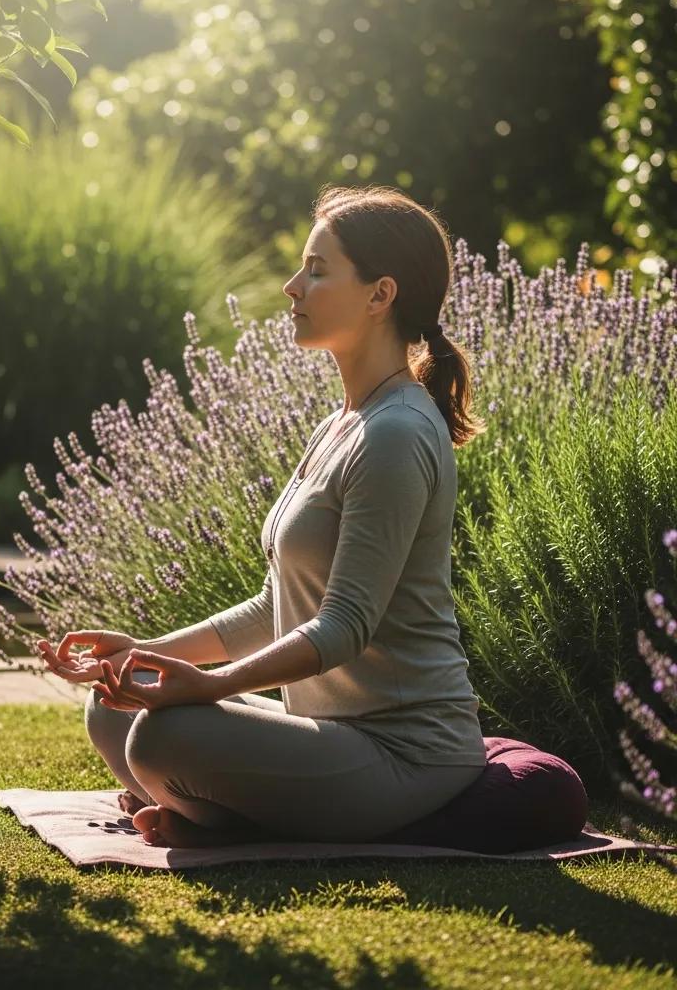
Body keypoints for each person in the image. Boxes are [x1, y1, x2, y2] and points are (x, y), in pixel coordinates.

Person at [37, 183, 490, 849]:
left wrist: (212, 686)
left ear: (379, 294)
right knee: (116, 699)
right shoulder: (342, 423)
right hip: (333, 737)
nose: (291, 287)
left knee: (166, 734)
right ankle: (217, 815)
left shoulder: (395, 433)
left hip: (405, 750)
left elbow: (344, 628)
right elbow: (274, 606)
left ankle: (214, 817)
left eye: (316, 268)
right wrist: (143, 652)